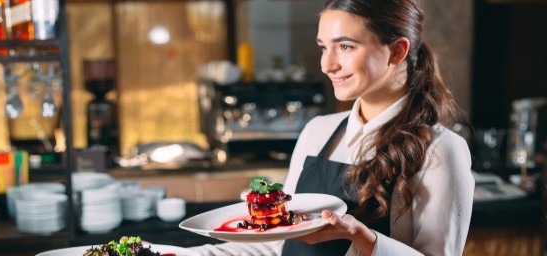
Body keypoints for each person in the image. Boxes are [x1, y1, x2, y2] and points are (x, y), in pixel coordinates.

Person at [190, 0, 474, 255]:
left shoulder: (440, 149)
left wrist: (365, 238)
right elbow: (278, 244)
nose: (327, 65)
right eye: (324, 47)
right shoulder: (318, 131)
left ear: (397, 51)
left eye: (346, 46)